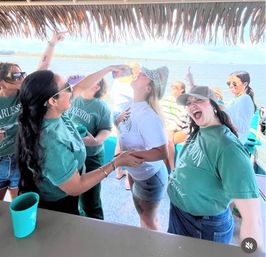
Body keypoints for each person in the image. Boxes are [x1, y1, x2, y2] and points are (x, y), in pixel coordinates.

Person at [16, 66, 143, 215]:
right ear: (52, 101)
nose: (72, 89)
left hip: (63, 191)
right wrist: (117, 162)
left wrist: (108, 69)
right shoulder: (50, 142)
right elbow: (76, 186)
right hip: (58, 204)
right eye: (67, 87)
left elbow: (82, 85)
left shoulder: (49, 113)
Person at [167, 86, 262, 249]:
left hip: (202, 227)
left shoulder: (228, 148)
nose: (192, 105)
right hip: (178, 213)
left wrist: (251, 251)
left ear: (215, 106)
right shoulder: (200, 130)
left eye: (198, 100)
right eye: (189, 103)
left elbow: (253, 219)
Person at [0, 32, 64, 201]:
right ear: (1, 82)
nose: (22, 77)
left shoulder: (23, 93)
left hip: (19, 156)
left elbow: (43, 66)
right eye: (15, 76)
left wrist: (52, 43)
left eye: (22, 73)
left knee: (18, 202)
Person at [117, 66, 169, 230]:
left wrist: (127, 156)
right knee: (143, 217)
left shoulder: (148, 116)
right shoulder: (132, 105)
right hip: (135, 173)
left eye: (146, 75)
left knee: (148, 221)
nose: (140, 72)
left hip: (149, 178)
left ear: (148, 88)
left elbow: (162, 152)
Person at [68, 78, 112, 219]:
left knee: (90, 199)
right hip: (71, 154)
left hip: (91, 156)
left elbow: (106, 129)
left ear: (97, 87)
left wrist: (95, 141)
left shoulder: (101, 106)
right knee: (71, 195)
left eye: (90, 80)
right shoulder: (72, 99)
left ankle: (96, 227)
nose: (85, 81)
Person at [160, 81, 188, 171]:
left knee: (167, 142)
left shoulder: (184, 102)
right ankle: (166, 170)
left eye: (175, 87)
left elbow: (182, 118)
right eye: (171, 86)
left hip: (176, 128)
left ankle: (172, 169)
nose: (172, 89)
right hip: (165, 126)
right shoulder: (167, 99)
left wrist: (172, 126)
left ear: (182, 90)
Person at [224, 71, 257, 144]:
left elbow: (244, 128)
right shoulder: (237, 98)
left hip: (236, 142)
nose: (231, 86)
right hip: (230, 138)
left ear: (245, 84)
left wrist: (224, 111)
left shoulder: (245, 99)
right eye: (228, 83)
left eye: (234, 84)